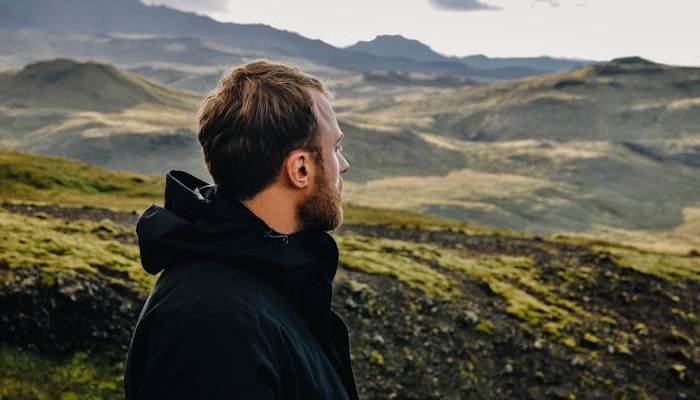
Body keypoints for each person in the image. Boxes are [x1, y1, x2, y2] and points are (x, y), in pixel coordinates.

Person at [124, 60, 357, 399]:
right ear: (300, 168)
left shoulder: (270, 279)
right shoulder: (215, 325)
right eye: (335, 148)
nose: (344, 165)